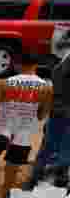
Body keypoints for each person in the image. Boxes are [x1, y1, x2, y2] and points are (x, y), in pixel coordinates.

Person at [0, 53, 53, 198]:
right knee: (13, 164)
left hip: (1, 128)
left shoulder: (5, 82)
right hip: (24, 131)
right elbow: (42, 114)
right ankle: (5, 192)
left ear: (19, 65)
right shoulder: (46, 87)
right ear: (36, 66)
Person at [27, 50, 70, 188]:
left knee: (49, 147)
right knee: (64, 148)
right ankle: (57, 177)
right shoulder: (63, 65)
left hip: (57, 112)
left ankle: (35, 177)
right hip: (64, 113)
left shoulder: (60, 65)